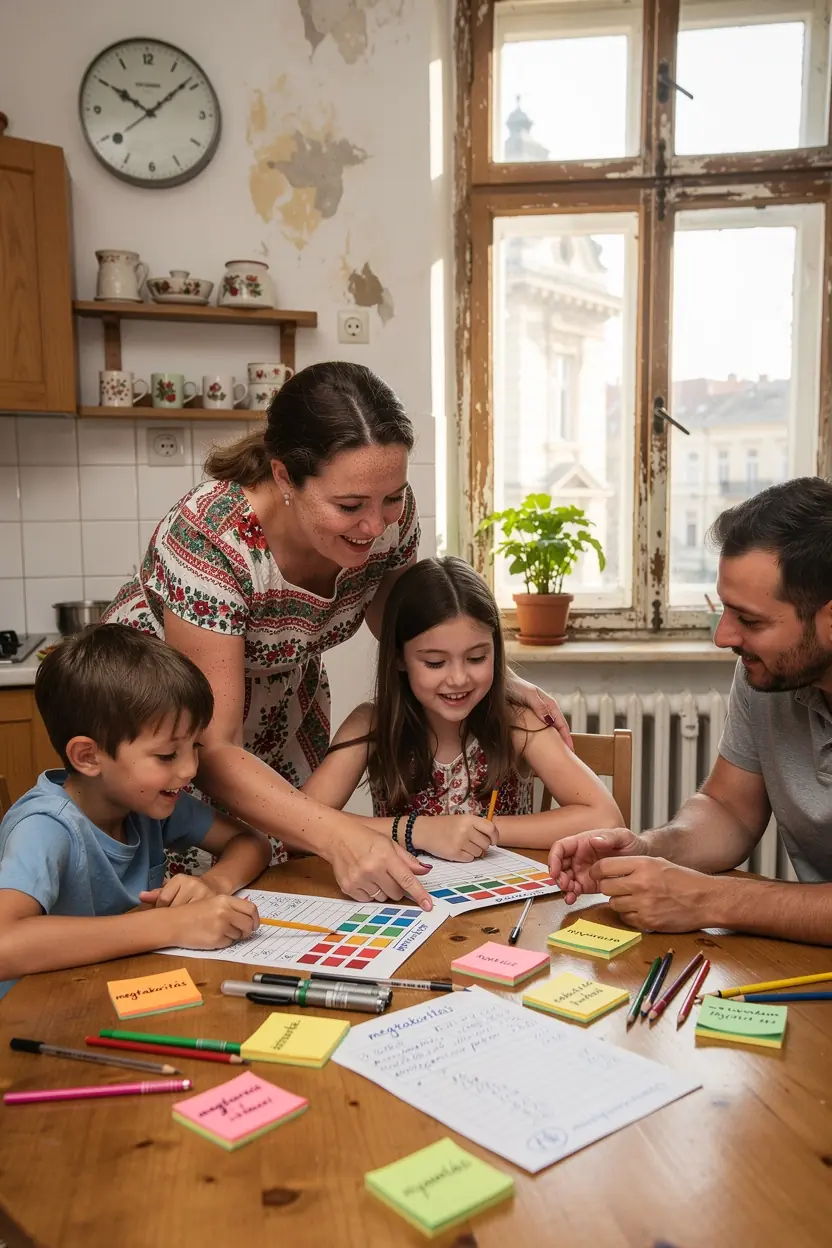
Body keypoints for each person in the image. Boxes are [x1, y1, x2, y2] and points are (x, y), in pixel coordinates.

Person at [103, 361, 570, 906]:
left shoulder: (387, 515)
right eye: (349, 506)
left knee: (280, 882)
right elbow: (213, 745)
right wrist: (341, 834)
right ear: (285, 479)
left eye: (393, 497)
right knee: (189, 893)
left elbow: (406, 623)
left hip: (282, 703)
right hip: (162, 723)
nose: (376, 526)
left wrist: (499, 677)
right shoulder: (210, 537)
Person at [548, 478, 832, 946]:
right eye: (726, 611)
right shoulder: (765, 675)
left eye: (750, 620)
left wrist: (709, 900)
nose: (723, 637)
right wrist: (651, 847)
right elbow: (729, 809)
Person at [0, 625, 268, 985]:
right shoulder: (44, 827)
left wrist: (215, 883)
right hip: (41, 1009)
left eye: (195, 747)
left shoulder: (144, 802)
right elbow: (4, 944)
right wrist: (170, 925)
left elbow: (251, 842)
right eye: (167, 755)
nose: (190, 770)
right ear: (88, 757)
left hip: (107, 986)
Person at [303, 557, 621, 858]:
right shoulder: (371, 724)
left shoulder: (517, 722)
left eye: (477, 658)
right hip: (407, 894)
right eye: (435, 662)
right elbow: (300, 826)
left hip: (500, 893)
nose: (458, 679)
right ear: (399, 657)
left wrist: (482, 830)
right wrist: (417, 831)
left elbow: (606, 818)